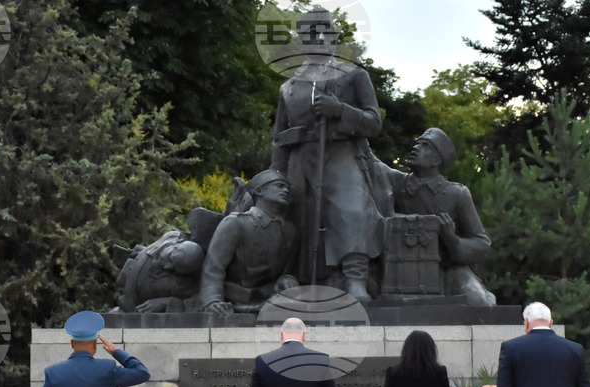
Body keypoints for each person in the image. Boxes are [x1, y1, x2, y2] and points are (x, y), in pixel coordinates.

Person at [271, 8, 383, 299]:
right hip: (300, 160)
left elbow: (374, 122)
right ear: (301, 39)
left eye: (325, 31)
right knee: (298, 220)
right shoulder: (288, 87)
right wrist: (275, 176)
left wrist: (340, 110)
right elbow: (278, 138)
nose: (320, 37)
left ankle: (355, 277)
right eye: (311, 32)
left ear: (334, 36)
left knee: (351, 209)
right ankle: (297, 279)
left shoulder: (354, 74)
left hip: (341, 153)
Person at [372, 128, 497, 307]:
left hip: (447, 270)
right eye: (417, 143)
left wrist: (452, 240)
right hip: (402, 269)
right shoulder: (397, 182)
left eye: (425, 145)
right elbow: (370, 161)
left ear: (437, 160)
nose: (415, 147)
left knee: (479, 302)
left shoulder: (457, 193)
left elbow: (482, 243)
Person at [199, 170, 300, 315]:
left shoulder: (290, 232)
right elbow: (214, 267)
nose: (285, 190)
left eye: (287, 189)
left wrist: (286, 279)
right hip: (232, 298)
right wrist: (212, 301)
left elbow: (284, 272)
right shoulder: (235, 223)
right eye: (279, 185)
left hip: (265, 298)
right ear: (259, 190)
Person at [115, 230, 205, 313]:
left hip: (135, 312)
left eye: (175, 269)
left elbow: (196, 304)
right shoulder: (172, 236)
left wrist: (167, 302)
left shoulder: (183, 285)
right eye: (171, 258)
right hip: (124, 301)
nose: (167, 266)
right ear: (177, 242)